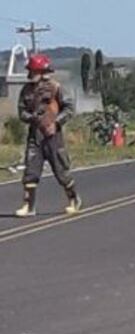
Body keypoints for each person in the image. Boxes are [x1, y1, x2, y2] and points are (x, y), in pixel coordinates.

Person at [15, 54, 82, 218]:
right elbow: (21, 111)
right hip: (35, 135)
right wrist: (31, 118)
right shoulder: (26, 90)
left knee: (61, 170)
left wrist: (57, 123)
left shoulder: (56, 87)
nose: (30, 74)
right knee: (31, 171)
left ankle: (74, 199)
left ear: (42, 70)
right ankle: (28, 206)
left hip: (53, 136)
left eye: (33, 70)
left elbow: (69, 108)